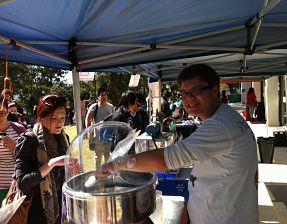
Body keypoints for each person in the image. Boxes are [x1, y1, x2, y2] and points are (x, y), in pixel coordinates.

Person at [97, 64, 258, 223]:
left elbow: (164, 160)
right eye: (184, 93)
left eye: (195, 91)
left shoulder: (221, 126)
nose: (188, 98)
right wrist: (190, 208)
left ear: (214, 90)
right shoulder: (225, 117)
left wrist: (115, 165)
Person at [15, 94, 76, 224]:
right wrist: (51, 164)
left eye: (63, 117)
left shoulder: (63, 138)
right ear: (41, 118)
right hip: (35, 212)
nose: (60, 122)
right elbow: (22, 183)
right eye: (54, 118)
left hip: (58, 209)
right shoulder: (29, 140)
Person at [0, 99, 26, 203]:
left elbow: (29, 156)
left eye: (1, 113)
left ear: (7, 112)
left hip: (15, 185)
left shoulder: (19, 129)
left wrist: (15, 147)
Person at [85, 87, 115, 166]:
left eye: (105, 95)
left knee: (108, 157)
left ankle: (107, 176)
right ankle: (98, 175)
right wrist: (89, 132)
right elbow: (88, 120)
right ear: (98, 97)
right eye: (102, 95)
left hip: (108, 136)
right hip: (98, 137)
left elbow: (114, 120)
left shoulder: (111, 107)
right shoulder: (94, 107)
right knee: (98, 157)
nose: (104, 97)